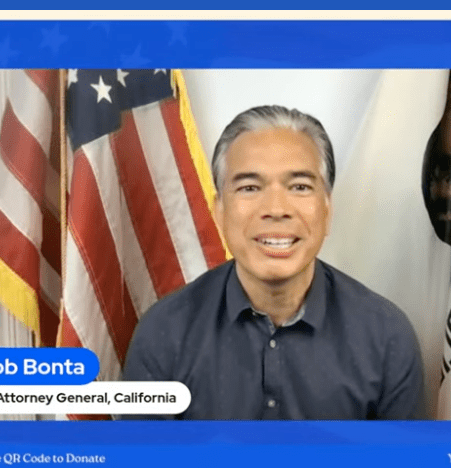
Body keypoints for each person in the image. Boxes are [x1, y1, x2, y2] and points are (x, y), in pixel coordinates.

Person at [121, 105, 423, 420]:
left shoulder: (388, 337)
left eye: (300, 187)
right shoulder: (164, 333)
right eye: (250, 187)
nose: (276, 209)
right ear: (219, 212)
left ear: (327, 209)